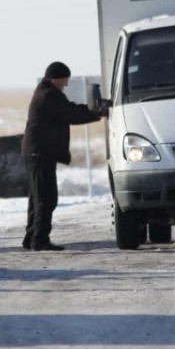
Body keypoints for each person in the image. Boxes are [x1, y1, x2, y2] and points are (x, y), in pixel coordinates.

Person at [21, 61, 105, 251]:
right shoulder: (49, 95)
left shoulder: (44, 92)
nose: (65, 85)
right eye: (64, 80)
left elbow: (68, 111)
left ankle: (32, 237)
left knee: (37, 198)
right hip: (40, 152)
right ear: (55, 78)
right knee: (46, 198)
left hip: (36, 152)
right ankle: (39, 239)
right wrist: (96, 113)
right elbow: (70, 112)